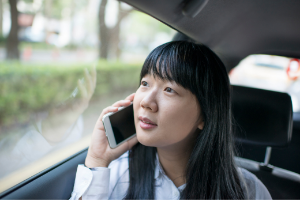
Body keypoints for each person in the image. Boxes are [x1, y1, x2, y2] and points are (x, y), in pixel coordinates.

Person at [70, 41, 272, 199]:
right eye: (145, 83)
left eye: (169, 90)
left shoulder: (248, 191)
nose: (147, 102)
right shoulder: (114, 172)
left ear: (205, 115)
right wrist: (97, 160)